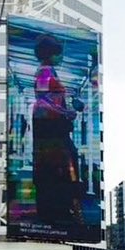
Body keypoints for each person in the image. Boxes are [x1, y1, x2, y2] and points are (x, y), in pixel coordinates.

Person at [31, 34, 85, 227]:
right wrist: (65, 112)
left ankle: (57, 208)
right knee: (55, 165)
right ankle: (54, 210)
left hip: (50, 125)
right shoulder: (45, 71)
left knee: (56, 165)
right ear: (50, 53)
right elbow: (43, 100)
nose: (61, 56)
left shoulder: (48, 71)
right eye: (58, 52)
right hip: (48, 126)